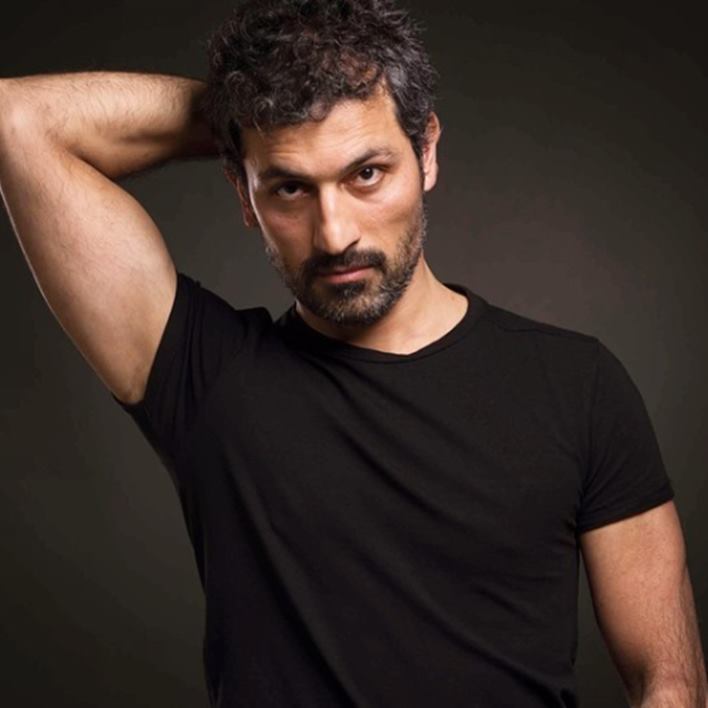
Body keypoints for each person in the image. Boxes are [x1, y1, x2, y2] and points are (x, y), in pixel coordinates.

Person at [0, 0, 705, 705]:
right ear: (244, 194)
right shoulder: (206, 378)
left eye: (366, 173)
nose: (334, 234)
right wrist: (246, 116)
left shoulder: (578, 385)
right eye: (288, 187)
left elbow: (669, 682)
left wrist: (276, 125)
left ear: (426, 152)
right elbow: (17, 120)